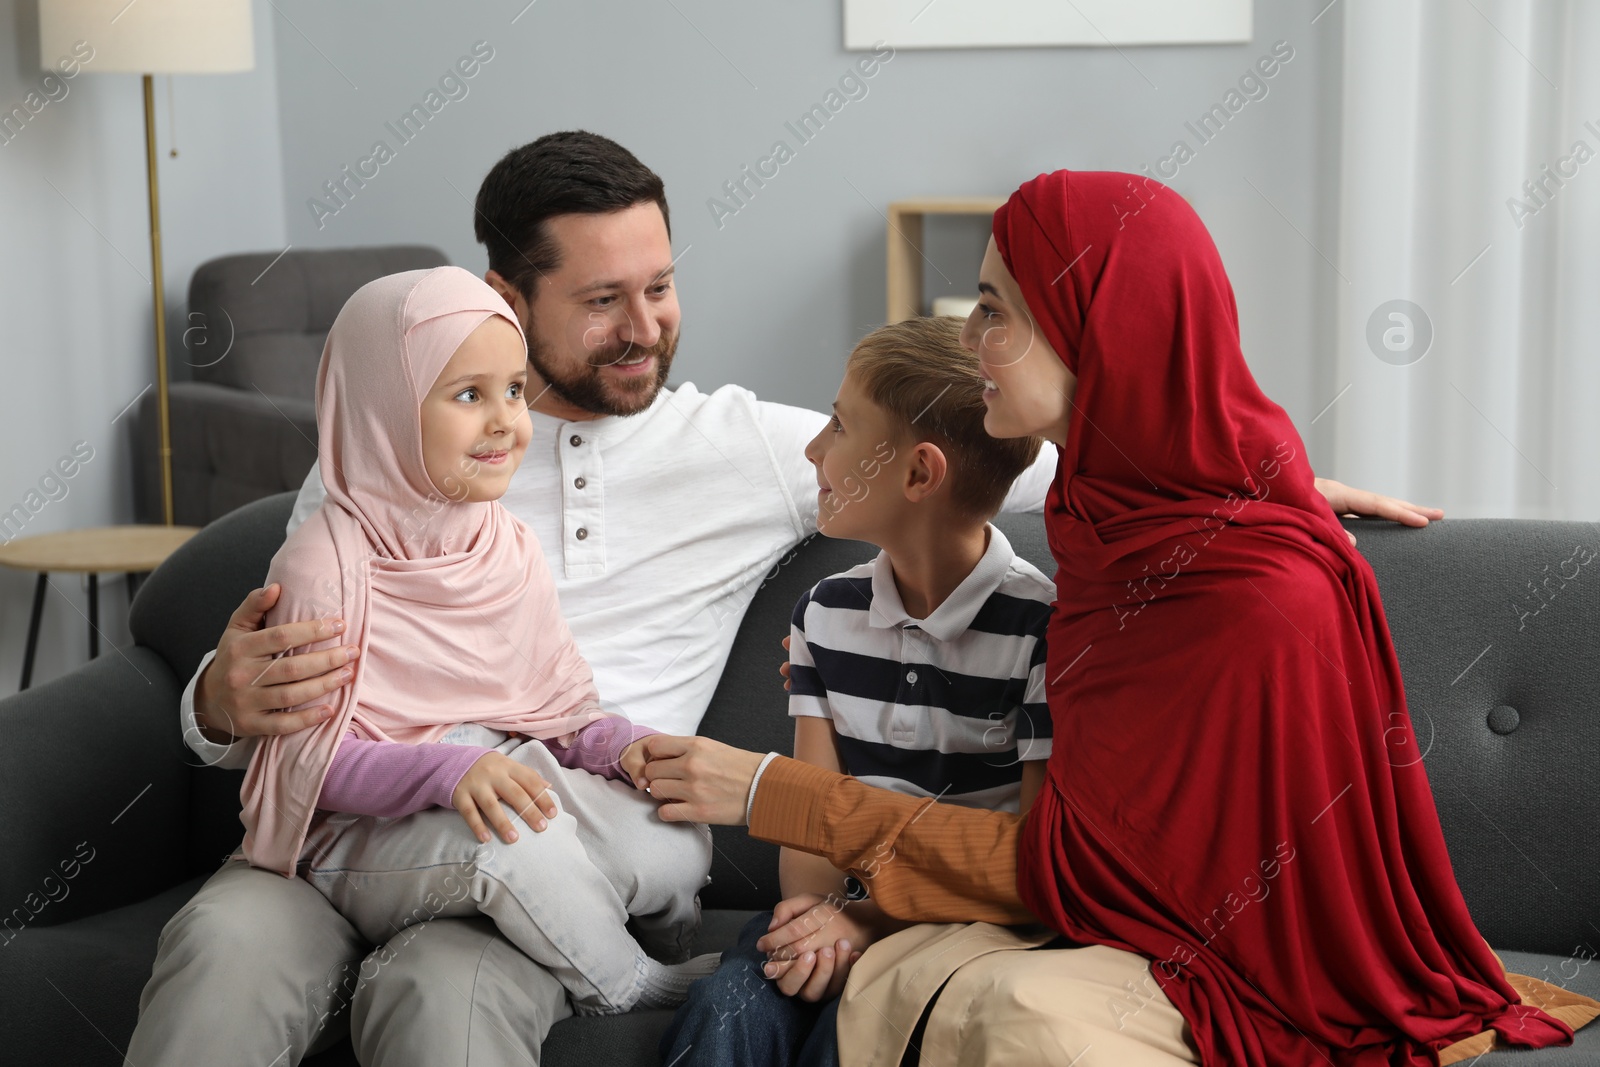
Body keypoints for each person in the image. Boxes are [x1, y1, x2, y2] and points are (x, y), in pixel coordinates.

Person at [126, 130, 1443, 1067]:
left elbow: (981, 442)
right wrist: (210, 702)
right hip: (336, 829)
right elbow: (273, 697)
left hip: (573, 846)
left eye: (660, 286)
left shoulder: (745, 442)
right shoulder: (372, 469)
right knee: (225, 945)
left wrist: (1266, 477)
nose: (644, 324)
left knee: (440, 988)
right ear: (506, 301)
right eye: (600, 301)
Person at [639, 170, 1600, 1066]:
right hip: (1061, 918)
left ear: (1097, 328)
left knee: (1007, 1014)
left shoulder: (1252, 593)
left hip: (1208, 946)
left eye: (992, 311)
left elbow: (1076, 865)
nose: (968, 337)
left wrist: (773, 793)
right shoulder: (1099, 517)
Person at [237, 264, 719, 1020]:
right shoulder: (323, 564)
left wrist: (621, 748)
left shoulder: (504, 542)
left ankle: (604, 914)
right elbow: (312, 764)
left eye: (516, 390)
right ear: (385, 408)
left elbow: (552, 708)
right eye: (469, 395)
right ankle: (629, 984)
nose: (505, 420)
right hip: (359, 834)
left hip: (486, 774)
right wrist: (448, 769)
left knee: (673, 833)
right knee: (514, 848)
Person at [658, 316, 1056, 1067]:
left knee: (850, 1038)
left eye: (838, 425)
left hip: (965, 930)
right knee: (723, 1016)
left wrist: (867, 925)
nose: (812, 450)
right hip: (832, 909)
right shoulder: (825, 613)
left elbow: (1028, 866)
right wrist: (825, 922)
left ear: (917, 474)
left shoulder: (1041, 629)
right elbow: (809, 817)